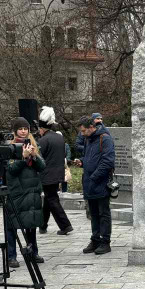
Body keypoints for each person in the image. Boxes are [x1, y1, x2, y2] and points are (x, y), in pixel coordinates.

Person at [4, 117, 46, 268]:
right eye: (20, 128)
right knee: (12, 225)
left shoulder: (33, 144)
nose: (23, 131)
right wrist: (23, 158)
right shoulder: (9, 147)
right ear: (15, 130)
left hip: (32, 190)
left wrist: (34, 156)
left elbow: (42, 167)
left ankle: (32, 252)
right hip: (17, 191)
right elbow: (11, 169)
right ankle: (11, 256)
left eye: (25, 128)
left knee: (31, 224)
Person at [78, 115, 115, 254]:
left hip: (100, 182)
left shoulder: (104, 138)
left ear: (92, 127)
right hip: (89, 182)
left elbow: (108, 161)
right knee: (93, 213)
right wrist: (82, 161)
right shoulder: (89, 140)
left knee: (103, 213)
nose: (82, 134)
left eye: (83, 131)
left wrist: (94, 176)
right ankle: (95, 239)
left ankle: (105, 241)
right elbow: (89, 157)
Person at [37, 107, 73, 236]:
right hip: (58, 173)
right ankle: (43, 225)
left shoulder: (43, 140)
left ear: (42, 129)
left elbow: (39, 158)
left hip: (47, 174)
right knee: (48, 198)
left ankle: (65, 225)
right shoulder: (59, 138)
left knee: (52, 199)